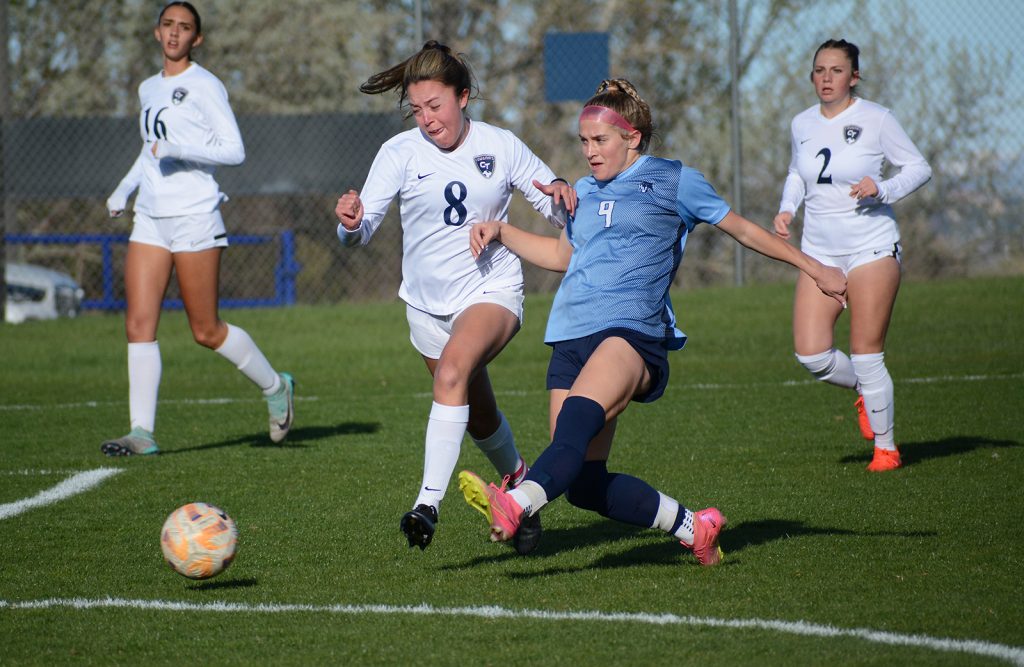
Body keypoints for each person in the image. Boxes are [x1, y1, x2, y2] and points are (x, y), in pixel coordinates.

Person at [458, 79, 847, 566]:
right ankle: (693, 527)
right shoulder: (581, 190)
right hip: (570, 334)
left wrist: (816, 268)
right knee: (583, 484)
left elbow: (745, 230)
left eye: (600, 141)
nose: (589, 152)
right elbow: (562, 256)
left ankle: (516, 502)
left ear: (633, 137)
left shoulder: (673, 180)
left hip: (630, 333)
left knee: (576, 424)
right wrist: (501, 231)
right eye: (583, 142)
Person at [334, 41, 575, 552]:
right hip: (424, 308)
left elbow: (550, 199)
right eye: (417, 110)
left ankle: (427, 505)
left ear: (462, 96)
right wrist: (349, 223)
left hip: (491, 290)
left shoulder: (500, 144)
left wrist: (561, 190)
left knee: (450, 374)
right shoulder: (398, 152)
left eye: (436, 106)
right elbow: (363, 228)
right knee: (478, 413)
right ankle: (521, 489)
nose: (427, 119)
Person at [102, 2, 294, 456]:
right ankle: (141, 433)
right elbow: (151, 150)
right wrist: (123, 190)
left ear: (197, 39)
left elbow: (234, 151)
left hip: (195, 216)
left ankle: (275, 387)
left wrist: (178, 147)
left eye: (184, 28)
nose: (175, 34)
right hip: (150, 217)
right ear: (156, 32)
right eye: (168, 25)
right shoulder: (148, 87)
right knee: (138, 324)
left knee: (205, 330)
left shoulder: (206, 86)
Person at [772, 39, 931, 472]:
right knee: (812, 355)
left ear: (854, 77)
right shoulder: (801, 123)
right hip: (819, 253)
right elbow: (796, 173)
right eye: (819, 70)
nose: (826, 78)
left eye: (836, 70)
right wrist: (788, 208)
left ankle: (886, 449)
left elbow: (918, 167)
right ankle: (869, 391)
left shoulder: (877, 119)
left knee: (866, 352)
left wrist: (883, 188)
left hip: (871, 247)